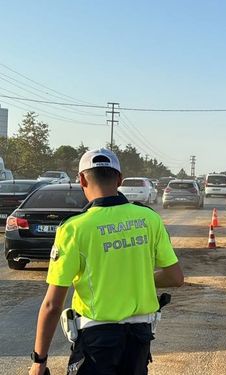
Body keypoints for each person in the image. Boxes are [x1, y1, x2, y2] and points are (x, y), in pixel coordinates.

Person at [29, 148, 184, 375]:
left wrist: (39, 361)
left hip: (96, 343)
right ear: (119, 179)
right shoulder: (150, 219)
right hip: (139, 341)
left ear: (82, 179)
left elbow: (53, 305)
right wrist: (135, 280)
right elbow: (175, 277)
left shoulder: (74, 228)